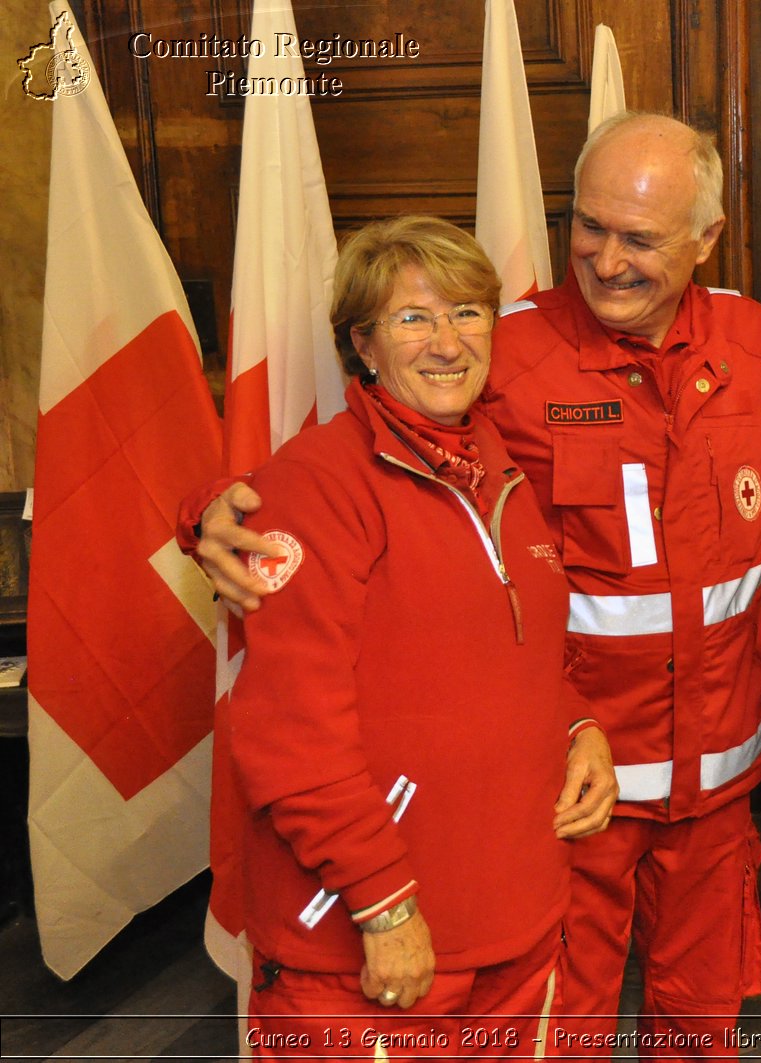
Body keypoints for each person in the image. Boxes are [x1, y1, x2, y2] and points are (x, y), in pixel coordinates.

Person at [184, 113, 761, 1060]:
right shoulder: (503, 350)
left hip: (717, 783)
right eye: (588, 227)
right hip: (561, 801)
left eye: (640, 238)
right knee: (563, 1031)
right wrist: (208, 507)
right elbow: (342, 462)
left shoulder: (757, 348)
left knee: (702, 1023)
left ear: (705, 238)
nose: (607, 259)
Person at [217, 215, 618, 1057]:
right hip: (369, 946)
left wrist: (577, 725)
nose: (448, 341)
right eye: (413, 318)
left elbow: (512, 657)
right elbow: (287, 733)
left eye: (468, 312)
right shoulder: (313, 488)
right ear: (361, 343)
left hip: (516, 926)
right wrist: (383, 903)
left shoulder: (499, 468)